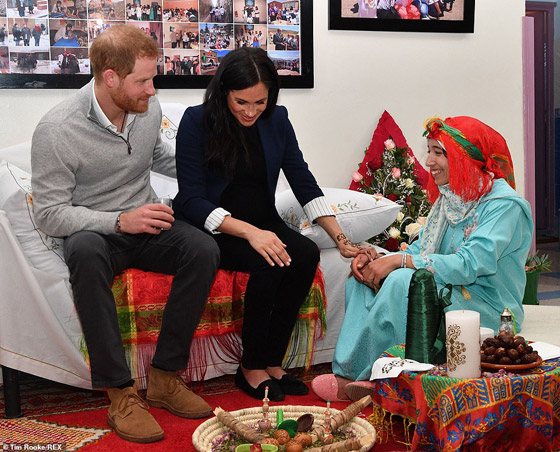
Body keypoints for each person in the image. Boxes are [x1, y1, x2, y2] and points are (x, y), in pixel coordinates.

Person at [31, 24, 219, 443]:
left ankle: (166, 378)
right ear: (109, 77)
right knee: (82, 251)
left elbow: (155, 156)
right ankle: (120, 393)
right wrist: (118, 221)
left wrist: (214, 164)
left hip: (144, 223)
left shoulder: (143, 108)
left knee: (204, 248)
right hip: (95, 230)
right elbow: (49, 214)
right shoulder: (57, 130)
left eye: (153, 79)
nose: (152, 91)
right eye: (143, 81)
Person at [174, 47, 360, 402]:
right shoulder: (196, 121)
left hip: (262, 218)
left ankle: (273, 360)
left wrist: (338, 235)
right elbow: (191, 198)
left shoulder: (277, 119)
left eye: (260, 102)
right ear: (224, 90)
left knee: (304, 253)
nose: (251, 111)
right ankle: (251, 366)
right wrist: (250, 233)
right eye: (242, 101)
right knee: (269, 259)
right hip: (215, 225)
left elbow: (302, 180)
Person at [311, 115, 533, 401]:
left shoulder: (505, 207)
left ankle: (379, 378)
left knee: (404, 282)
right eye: (429, 151)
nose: (428, 161)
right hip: (447, 290)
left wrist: (398, 263)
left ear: (465, 158)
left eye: (438, 153)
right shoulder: (451, 198)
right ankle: (356, 374)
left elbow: (469, 264)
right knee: (364, 278)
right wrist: (377, 257)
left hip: (487, 306)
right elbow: (420, 252)